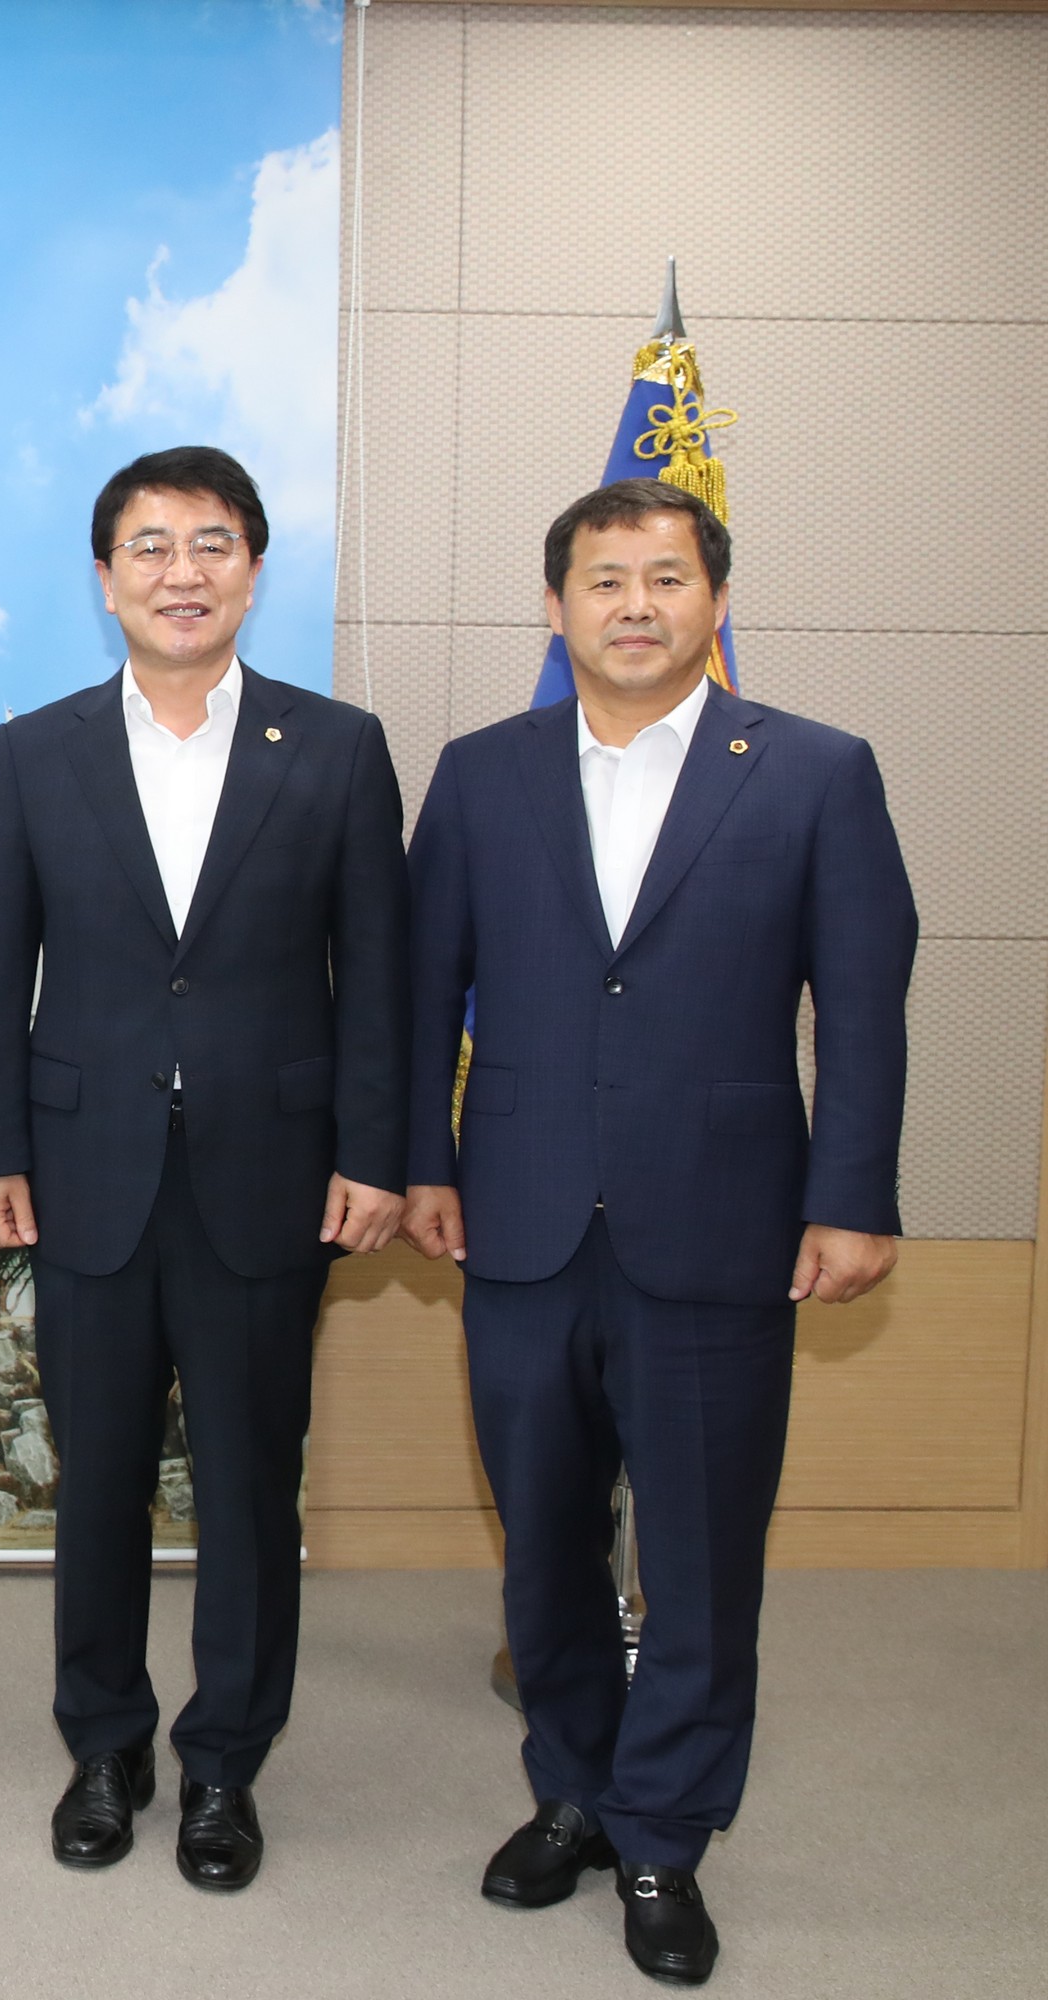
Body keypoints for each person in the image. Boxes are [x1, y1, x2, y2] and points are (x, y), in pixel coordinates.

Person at [403, 478, 914, 1986]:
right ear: (555, 606)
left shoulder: (816, 772)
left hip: (723, 1223)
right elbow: (422, 994)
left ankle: (664, 1835)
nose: (636, 604)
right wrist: (420, 1164)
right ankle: (572, 1789)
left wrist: (853, 1193)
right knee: (545, 1538)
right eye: (605, 579)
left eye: (668, 577)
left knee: (697, 1554)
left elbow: (863, 1005)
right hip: (519, 1221)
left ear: (716, 599)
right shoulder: (482, 772)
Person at [0, 446, 409, 1891]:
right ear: (106, 581)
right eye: (148, 547)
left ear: (254, 572)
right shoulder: (39, 751)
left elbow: (379, 974)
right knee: (93, 1484)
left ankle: (225, 1763)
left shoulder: (336, 748)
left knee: (249, 1489)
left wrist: (376, 1153)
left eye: (211, 544)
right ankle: (105, 1745)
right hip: (84, 1171)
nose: (181, 572)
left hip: (268, 1175)